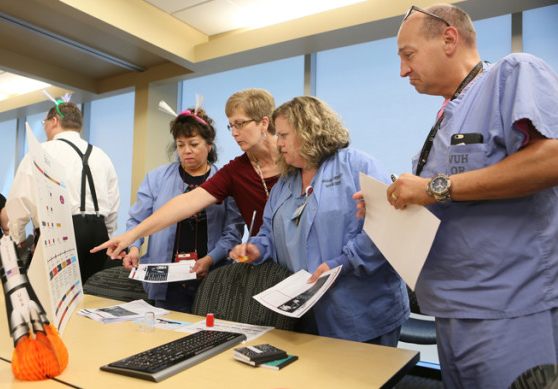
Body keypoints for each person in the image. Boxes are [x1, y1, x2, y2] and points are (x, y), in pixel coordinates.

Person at [353, 4, 558, 387]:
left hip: (507, 307)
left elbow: (551, 159)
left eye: (408, 54)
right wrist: (392, 204)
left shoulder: (513, 73)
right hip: (451, 307)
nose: (403, 71)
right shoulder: (448, 116)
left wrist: (433, 188)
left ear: (449, 38)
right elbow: (447, 201)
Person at [229, 96, 409, 345]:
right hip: (307, 311)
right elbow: (269, 230)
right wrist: (255, 249)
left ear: (308, 131)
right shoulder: (285, 182)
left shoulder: (357, 166)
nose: (277, 143)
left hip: (362, 310)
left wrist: (342, 262)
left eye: (283, 135)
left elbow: (385, 228)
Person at [92, 88, 280, 260]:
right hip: (264, 260)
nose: (234, 133)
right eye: (232, 126)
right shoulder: (236, 172)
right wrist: (130, 237)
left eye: (240, 124)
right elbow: (187, 202)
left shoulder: (295, 161)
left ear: (264, 123)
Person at [124, 107, 244, 312]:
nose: (186, 150)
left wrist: (209, 259)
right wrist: (133, 247)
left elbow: (233, 232)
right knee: (167, 334)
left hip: (211, 276)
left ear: (209, 145)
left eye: (194, 144)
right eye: (180, 145)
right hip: (167, 280)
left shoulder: (225, 181)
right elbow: (137, 221)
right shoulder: (156, 179)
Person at [7, 102, 120, 283]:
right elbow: (113, 201)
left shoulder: (41, 151)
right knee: (88, 293)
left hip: (59, 231)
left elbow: (19, 198)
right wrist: (109, 235)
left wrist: (17, 236)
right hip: (98, 234)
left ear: (53, 121)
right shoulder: (101, 155)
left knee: (52, 297)